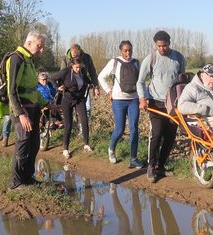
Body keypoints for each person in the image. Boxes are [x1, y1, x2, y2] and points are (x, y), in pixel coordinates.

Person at [137, 30, 186, 183]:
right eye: (159, 46)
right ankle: (151, 166)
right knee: (156, 134)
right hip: (155, 102)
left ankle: (161, 166)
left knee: (170, 136)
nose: (161, 49)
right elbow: (140, 81)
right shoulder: (150, 59)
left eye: (164, 46)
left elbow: (182, 81)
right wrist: (142, 99)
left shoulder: (178, 58)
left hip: (173, 104)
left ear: (169, 44)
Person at [8, 31, 48, 190]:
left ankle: (28, 178)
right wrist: (21, 114)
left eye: (42, 47)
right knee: (23, 145)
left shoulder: (29, 61)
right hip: (22, 111)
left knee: (34, 144)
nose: (42, 50)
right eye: (40, 46)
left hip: (33, 110)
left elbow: (32, 89)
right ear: (29, 42)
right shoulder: (16, 59)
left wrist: (46, 103)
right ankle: (15, 182)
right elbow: (12, 91)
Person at [97, 40, 143, 168]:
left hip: (134, 99)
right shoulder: (114, 62)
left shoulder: (136, 63)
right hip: (118, 100)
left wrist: (143, 96)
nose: (128, 53)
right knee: (120, 129)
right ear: (120, 51)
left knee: (134, 128)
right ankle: (111, 149)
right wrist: (108, 91)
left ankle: (134, 158)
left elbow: (141, 81)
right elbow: (101, 77)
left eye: (130, 50)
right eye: (125, 51)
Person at [50, 57, 94, 159]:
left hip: (79, 99)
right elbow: (52, 78)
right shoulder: (65, 72)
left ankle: (86, 145)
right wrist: (57, 87)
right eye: (76, 67)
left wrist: (91, 84)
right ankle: (66, 149)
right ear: (71, 66)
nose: (78, 69)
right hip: (67, 100)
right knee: (68, 125)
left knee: (84, 121)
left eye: (80, 67)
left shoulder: (82, 71)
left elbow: (86, 79)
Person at [61, 43, 100, 118]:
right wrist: (61, 85)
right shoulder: (65, 59)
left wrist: (96, 86)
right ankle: (73, 127)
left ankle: (83, 127)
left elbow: (93, 72)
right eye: (73, 56)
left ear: (80, 52)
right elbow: (62, 74)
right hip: (70, 89)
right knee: (69, 112)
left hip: (83, 87)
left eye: (76, 56)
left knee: (87, 109)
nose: (75, 57)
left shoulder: (87, 58)